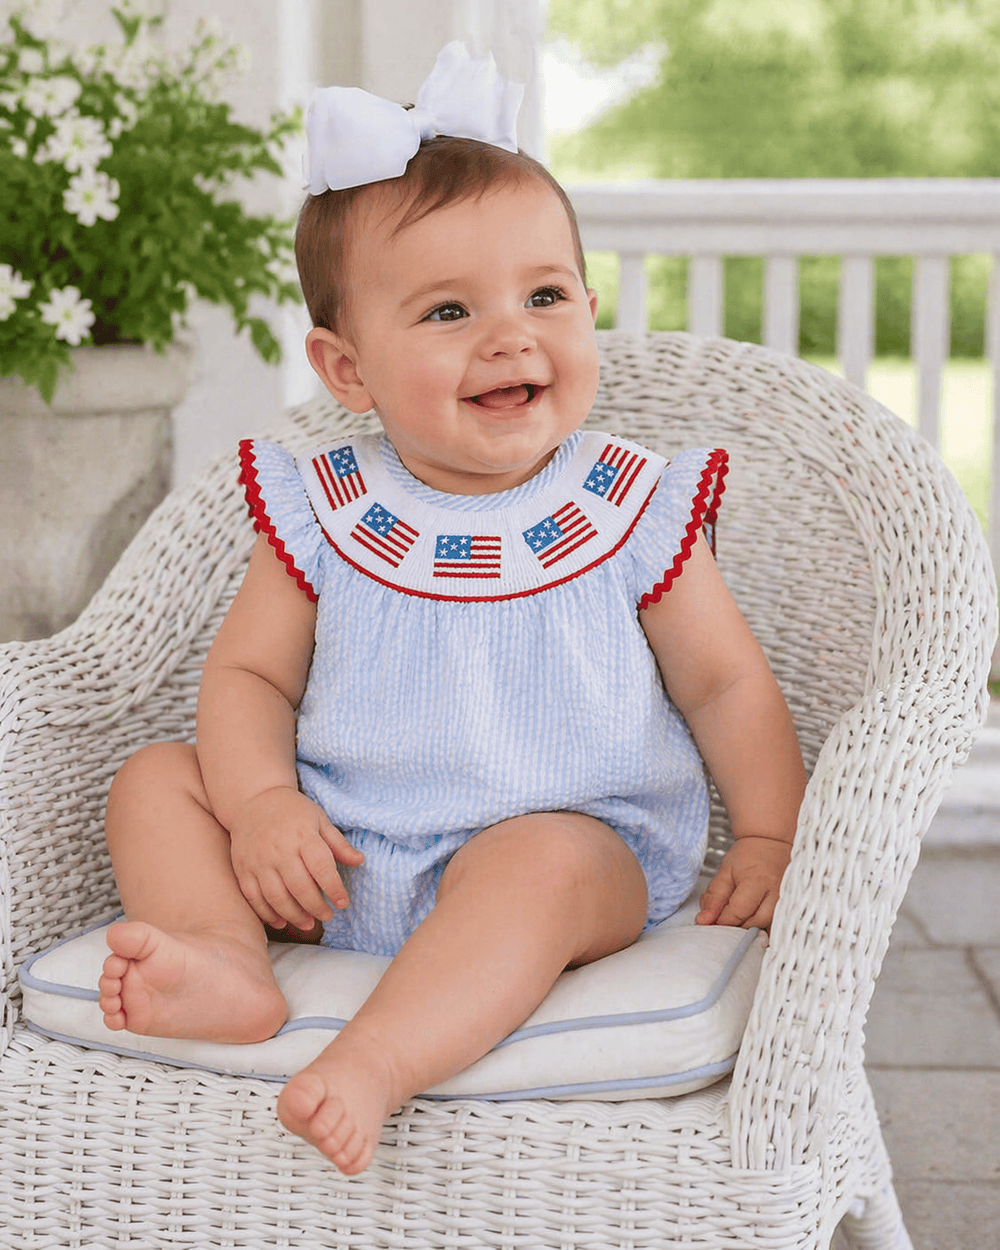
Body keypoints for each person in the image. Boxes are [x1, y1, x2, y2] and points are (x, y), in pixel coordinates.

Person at [97, 43, 806, 1177]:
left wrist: (770, 833)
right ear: (348, 368)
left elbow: (723, 682)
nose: (509, 334)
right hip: (342, 855)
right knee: (155, 779)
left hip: (572, 843)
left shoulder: (624, 503)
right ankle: (224, 958)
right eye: (445, 311)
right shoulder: (328, 507)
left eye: (543, 294)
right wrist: (265, 802)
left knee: (540, 860)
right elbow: (249, 679)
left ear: (585, 302)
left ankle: (379, 1058)